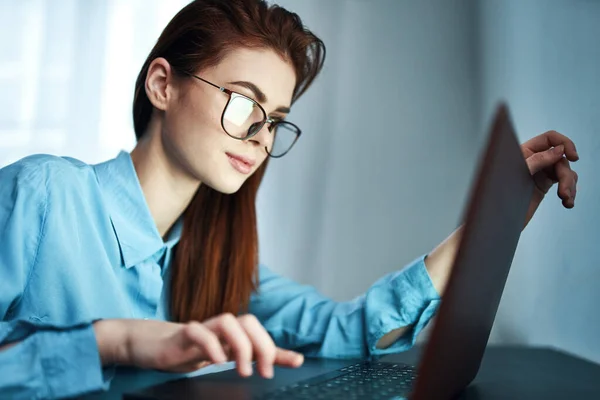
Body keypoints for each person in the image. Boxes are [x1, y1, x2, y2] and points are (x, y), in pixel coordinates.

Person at [0, 0, 579, 398]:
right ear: (162, 85)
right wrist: (114, 341)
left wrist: (492, 220)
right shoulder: (42, 196)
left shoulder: (223, 261)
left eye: (275, 119)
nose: (259, 134)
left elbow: (352, 330)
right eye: (244, 101)